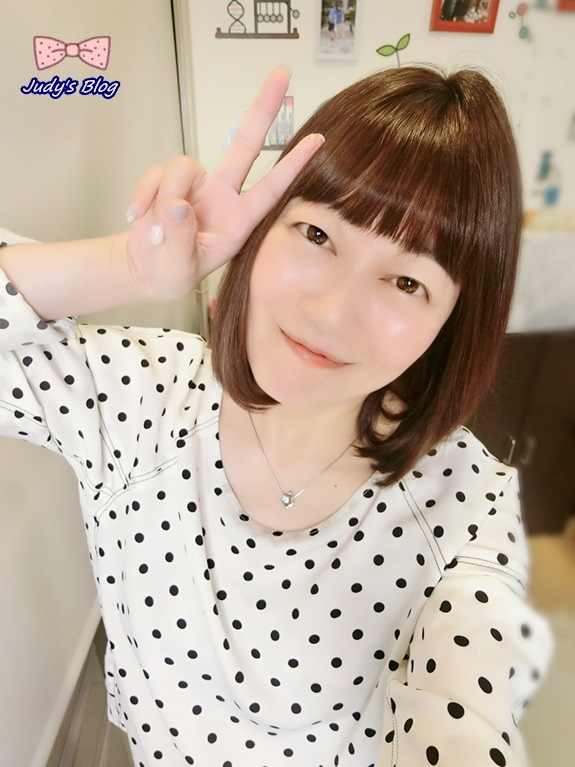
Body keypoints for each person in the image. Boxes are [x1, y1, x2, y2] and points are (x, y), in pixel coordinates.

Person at [0, 66, 552, 766]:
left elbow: (464, 712)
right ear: (260, 231)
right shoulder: (139, 395)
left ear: (451, 322)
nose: (332, 312)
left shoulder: (469, 501)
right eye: (317, 234)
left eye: (407, 280)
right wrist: (126, 269)